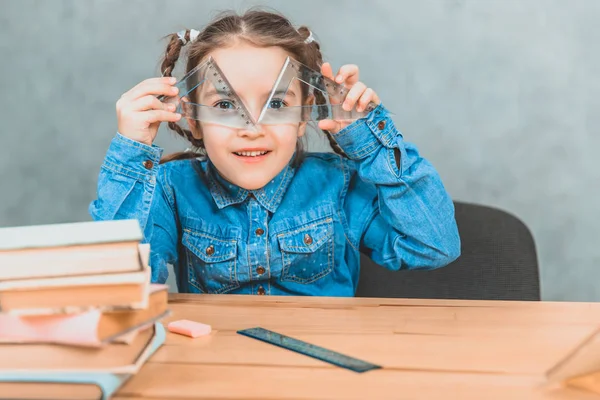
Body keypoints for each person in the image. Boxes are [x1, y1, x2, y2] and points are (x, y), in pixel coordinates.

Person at [89, 9, 460, 296]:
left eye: (278, 103)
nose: (253, 129)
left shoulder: (339, 185)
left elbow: (433, 246)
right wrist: (131, 155)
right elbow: (122, 289)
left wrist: (369, 139)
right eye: (224, 105)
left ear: (304, 116)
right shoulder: (170, 189)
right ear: (193, 119)